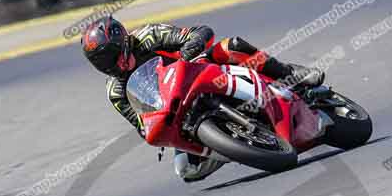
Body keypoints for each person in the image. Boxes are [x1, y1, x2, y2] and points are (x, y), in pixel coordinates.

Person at [81, 15, 325, 182]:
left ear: (122, 42)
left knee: (232, 46)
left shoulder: (148, 36)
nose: (109, 64)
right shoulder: (115, 90)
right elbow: (140, 124)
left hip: (196, 69)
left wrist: (187, 54)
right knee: (186, 170)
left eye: (110, 55)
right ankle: (231, 146)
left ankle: (290, 74)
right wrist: (152, 128)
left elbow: (200, 32)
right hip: (175, 110)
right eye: (100, 61)